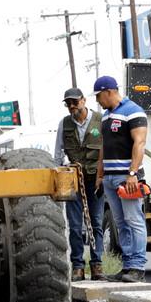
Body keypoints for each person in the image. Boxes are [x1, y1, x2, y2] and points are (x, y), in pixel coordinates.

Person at [94, 75, 148, 282]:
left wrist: (133, 173)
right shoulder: (106, 117)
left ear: (109, 92)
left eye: (99, 96)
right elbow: (103, 147)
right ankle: (127, 266)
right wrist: (100, 175)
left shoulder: (133, 111)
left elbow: (139, 143)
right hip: (109, 179)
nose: (98, 101)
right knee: (120, 223)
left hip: (128, 178)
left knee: (134, 220)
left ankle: (138, 266)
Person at [53, 87, 105, 281]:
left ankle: (97, 264)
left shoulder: (100, 121)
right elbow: (58, 153)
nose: (72, 106)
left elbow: (106, 150)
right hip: (73, 180)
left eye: (75, 102)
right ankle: (78, 266)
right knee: (75, 226)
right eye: (68, 103)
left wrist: (103, 175)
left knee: (96, 222)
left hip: (96, 180)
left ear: (84, 101)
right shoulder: (64, 124)